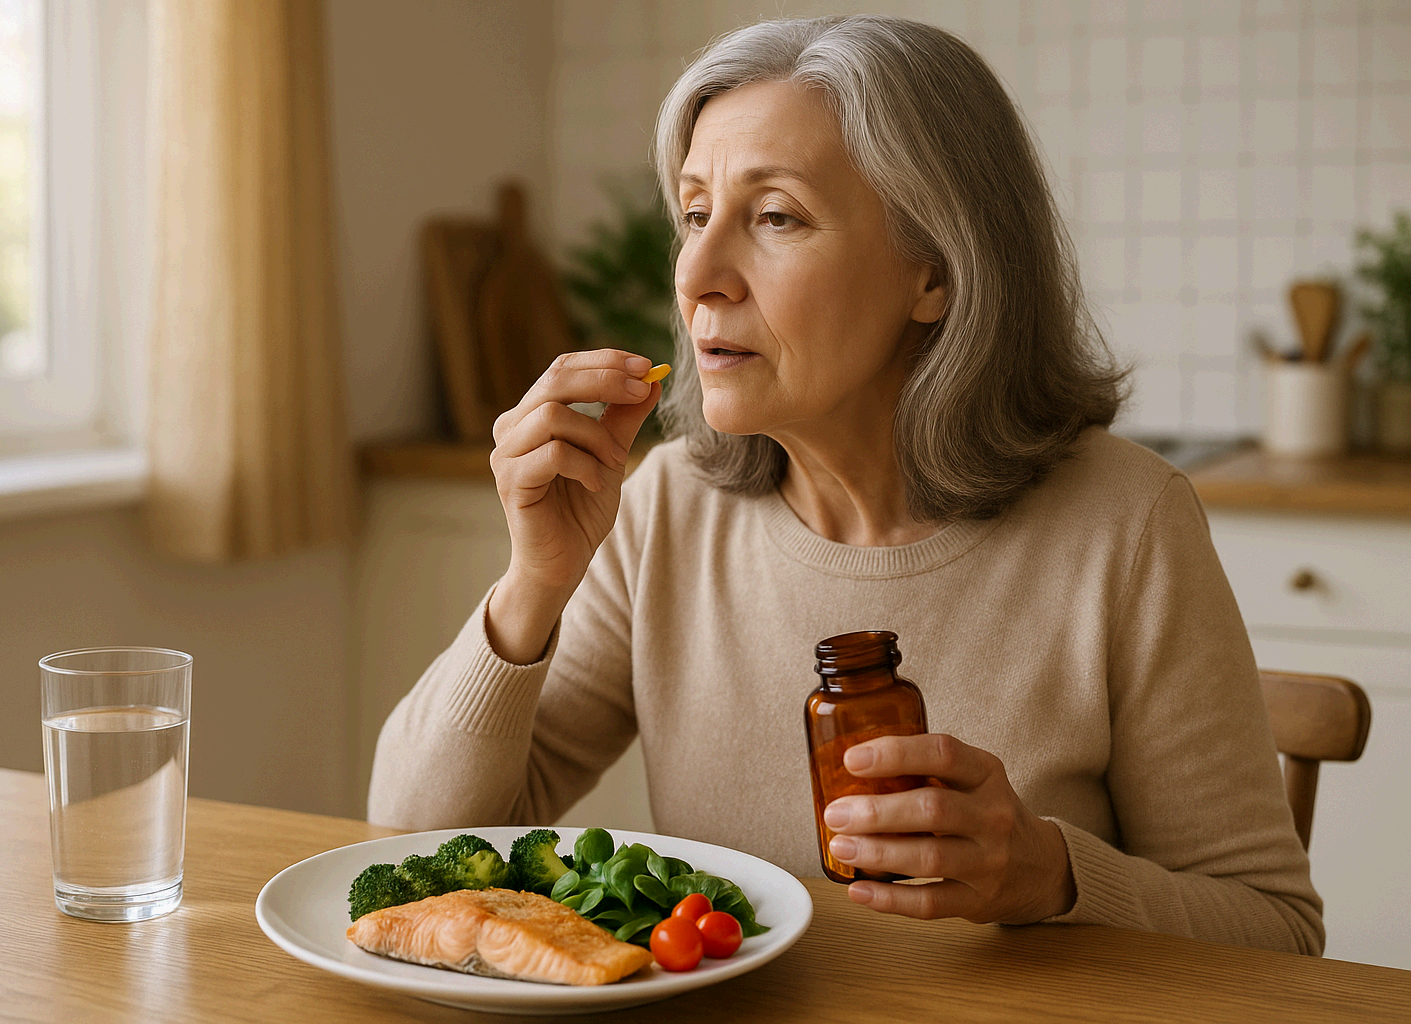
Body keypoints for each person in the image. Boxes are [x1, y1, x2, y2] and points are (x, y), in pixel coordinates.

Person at [370, 15, 1323, 955]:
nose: (698, 273)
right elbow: (406, 843)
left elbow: (1278, 936)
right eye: (695, 214)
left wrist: (1049, 876)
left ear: (935, 275)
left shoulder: (1127, 523)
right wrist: (532, 584)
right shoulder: (666, 509)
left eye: (775, 216)